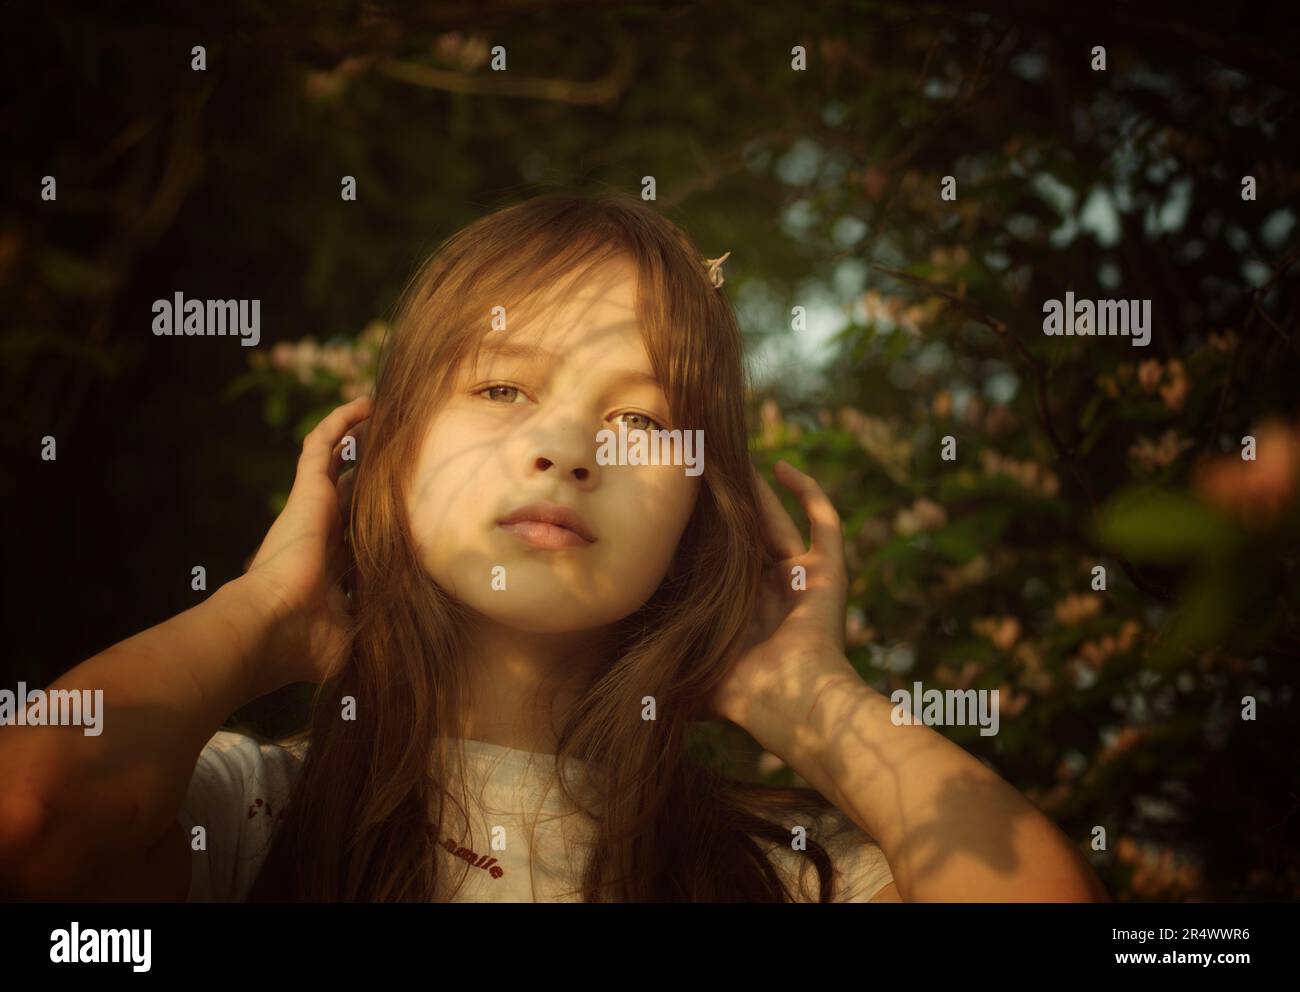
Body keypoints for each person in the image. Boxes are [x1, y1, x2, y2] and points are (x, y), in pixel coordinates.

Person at [0, 190, 1107, 903]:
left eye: (637, 418)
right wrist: (261, 614)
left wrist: (806, 692)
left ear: (698, 513)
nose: (567, 445)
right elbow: (30, 817)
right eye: (499, 385)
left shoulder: (789, 877)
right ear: (380, 454)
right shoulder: (248, 820)